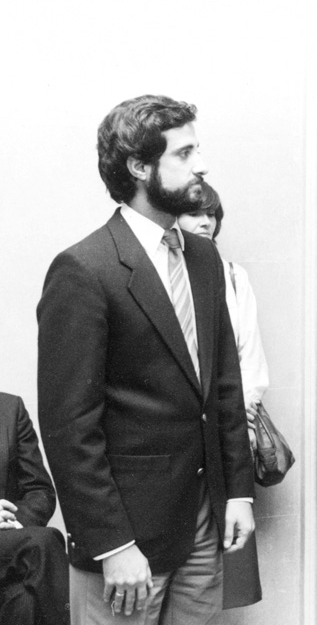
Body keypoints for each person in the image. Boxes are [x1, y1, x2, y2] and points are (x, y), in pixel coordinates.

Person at [37, 95, 255, 625]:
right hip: (127, 539)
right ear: (139, 167)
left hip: (206, 521)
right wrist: (112, 545)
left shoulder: (203, 256)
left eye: (197, 148)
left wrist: (240, 495)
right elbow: (69, 427)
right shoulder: (83, 270)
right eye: (184, 153)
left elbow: (223, 384)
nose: (201, 163)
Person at [178, 181, 267, 610]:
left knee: (215, 570)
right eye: (195, 213)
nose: (205, 222)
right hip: (176, 440)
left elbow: (248, 356)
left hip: (225, 427)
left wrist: (241, 420)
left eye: (211, 215)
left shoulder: (231, 276)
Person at [0, 392, 69, 625]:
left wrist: (12, 521)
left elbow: (40, 490)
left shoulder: (10, 408)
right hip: (25, 548)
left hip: (9, 544)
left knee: (25, 600)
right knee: (44, 542)